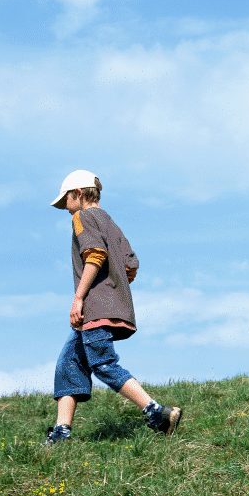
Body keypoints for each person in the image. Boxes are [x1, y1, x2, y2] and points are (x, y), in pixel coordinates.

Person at [45, 170, 182, 444]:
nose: (66, 207)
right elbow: (131, 265)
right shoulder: (110, 222)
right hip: (113, 308)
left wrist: (80, 297)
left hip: (95, 309)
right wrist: (114, 290)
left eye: (67, 200)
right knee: (69, 363)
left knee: (103, 363)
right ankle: (61, 433)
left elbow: (95, 254)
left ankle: (157, 413)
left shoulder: (81, 217)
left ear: (79, 194)